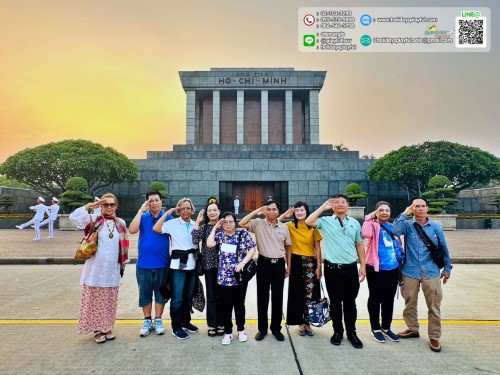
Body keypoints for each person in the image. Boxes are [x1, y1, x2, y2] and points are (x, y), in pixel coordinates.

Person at [305, 194, 366, 349]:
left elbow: (359, 245)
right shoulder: (325, 222)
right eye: (336, 202)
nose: (340, 204)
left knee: (350, 304)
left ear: (347, 205)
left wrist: (363, 266)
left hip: (351, 269)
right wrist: (322, 208)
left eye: (343, 202)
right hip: (332, 270)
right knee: (336, 303)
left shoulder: (354, 223)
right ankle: (337, 331)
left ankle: (352, 333)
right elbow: (308, 221)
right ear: (332, 206)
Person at [392, 197, 452, 353]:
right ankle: (412, 328)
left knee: (434, 306)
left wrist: (447, 269)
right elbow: (394, 230)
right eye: (416, 206)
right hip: (410, 271)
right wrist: (404, 213)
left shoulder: (436, 227)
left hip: (431, 271)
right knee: (410, 302)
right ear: (412, 208)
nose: (420, 209)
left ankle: (434, 336)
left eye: (422, 206)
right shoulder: (407, 225)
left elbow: (444, 248)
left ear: (427, 208)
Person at [69, 193, 129, 343]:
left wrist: (122, 265)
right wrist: (90, 206)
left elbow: (122, 246)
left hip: (112, 269)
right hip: (95, 268)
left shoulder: (120, 223)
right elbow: (74, 217)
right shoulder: (93, 219)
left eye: (112, 204)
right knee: (95, 300)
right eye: (106, 204)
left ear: (116, 206)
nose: (109, 207)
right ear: (101, 205)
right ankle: (97, 330)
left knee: (109, 300)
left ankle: (107, 327)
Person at [239, 200, 291, 341]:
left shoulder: (284, 227)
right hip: (263, 263)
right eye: (268, 209)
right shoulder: (258, 224)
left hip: (279, 265)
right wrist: (257, 211)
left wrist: (289, 267)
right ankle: (262, 329)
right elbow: (241, 223)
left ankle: (276, 328)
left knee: (277, 298)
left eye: (274, 209)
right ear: (265, 211)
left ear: (278, 211)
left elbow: (288, 248)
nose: (271, 212)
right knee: (262, 298)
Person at [207, 211, 256, 345]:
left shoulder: (242, 233)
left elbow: (252, 248)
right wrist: (216, 226)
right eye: (225, 222)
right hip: (223, 277)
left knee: (239, 305)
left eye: (231, 221)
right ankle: (228, 333)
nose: (228, 224)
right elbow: (210, 244)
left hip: (239, 277)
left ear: (235, 222)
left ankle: (241, 331)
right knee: (225, 307)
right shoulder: (220, 235)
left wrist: (243, 263)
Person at [153, 197, 198, 340]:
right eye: (182, 208)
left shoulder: (194, 224)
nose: (186, 210)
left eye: (188, 208)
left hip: (192, 265)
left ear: (192, 210)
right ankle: (176, 326)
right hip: (177, 266)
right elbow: (156, 228)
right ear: (178, 210)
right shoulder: (172, 223)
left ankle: (186, 322)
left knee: (188, 296)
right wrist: (166, 214)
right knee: (177, 297)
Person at [129, 191, 173, 337]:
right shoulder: (143, 216)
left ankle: (158, 320)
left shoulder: (168, 217)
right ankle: (147, 320)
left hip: (162, 263)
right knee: (145, 293)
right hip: (144, 264)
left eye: (156, 200)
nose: (154, 203)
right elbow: (132, 230)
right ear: (147, 203)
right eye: (150, 201)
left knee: (160, 294)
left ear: (161, 202)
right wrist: (140, 210)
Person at [361, 201, 404, 344]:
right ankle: (375, 328)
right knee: (375, 298)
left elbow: (398, 246)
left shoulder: (393, 227)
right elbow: (365, 233)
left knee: (389, 299)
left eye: (387, 210)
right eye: (381, 210)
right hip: (375, 268)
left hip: (392, 269)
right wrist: (371, 216)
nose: (384, 212)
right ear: (376, 212)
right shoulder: (373, 225)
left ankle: (386, 327)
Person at [279, 202, 322, 337]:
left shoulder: (313, 226)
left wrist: (319, 266)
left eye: (302, 210)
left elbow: (318, 248)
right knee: (297, 293)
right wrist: (285, 215)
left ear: (307, 211)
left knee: (310, 294)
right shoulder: (290, 226)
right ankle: (300, 323)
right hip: (296, 261)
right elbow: (275, 223)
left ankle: (308, 322)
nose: (299, 213)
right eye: (297, 210)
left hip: (310, 262)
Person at [192, 199, 224, 337]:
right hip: (209, 266)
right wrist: (198, 221)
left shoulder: (225, 226)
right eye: (209, 210)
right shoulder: (204, 227)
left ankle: (222, 323)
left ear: (219, 212)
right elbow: (194, 240)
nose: (212, 212)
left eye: (214, 210)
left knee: (222, 296)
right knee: (211, 296)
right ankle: (212, 324)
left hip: (224, 267)